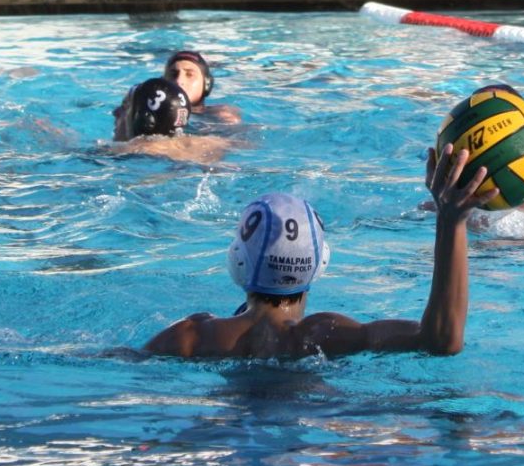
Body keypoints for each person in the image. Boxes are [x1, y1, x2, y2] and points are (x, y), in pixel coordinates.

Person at [141, 140, 491, 359]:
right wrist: (451, 222)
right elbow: (441, 341)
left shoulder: (194, 337)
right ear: (320, 262)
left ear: (236, 260)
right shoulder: (325, 335)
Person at [113, 49, 242, 129]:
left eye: (189, 74)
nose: (179, 81)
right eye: (173, 74)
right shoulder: (142, 107)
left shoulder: (219, 114)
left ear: (207, 84)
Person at [111, 78, 230, 163]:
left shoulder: (124, 152)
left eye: (125, 106)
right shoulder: (211, 143)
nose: (115, 112)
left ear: (144, 121)